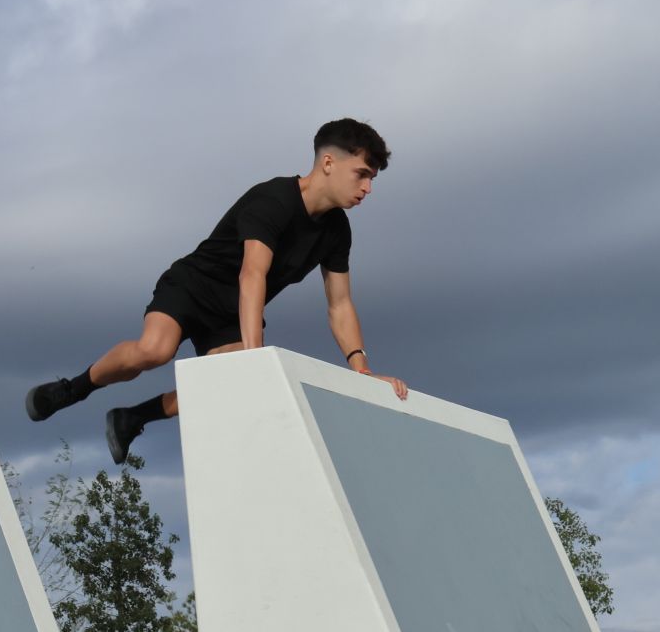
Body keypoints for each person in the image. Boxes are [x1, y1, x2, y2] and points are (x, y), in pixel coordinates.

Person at [24, 119, 410, 464]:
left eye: (373, 178)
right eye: (361, 174)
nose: (368, 188)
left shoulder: (337, 231)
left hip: (231, 310)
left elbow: (339, 304)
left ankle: (132, 417)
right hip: (193, 287)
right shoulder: (274, 200)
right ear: (328, 163)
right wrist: (254, 354)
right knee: (155, 351)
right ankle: (72, 390)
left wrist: (362, 371)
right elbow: (251, 275)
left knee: (229, 384)